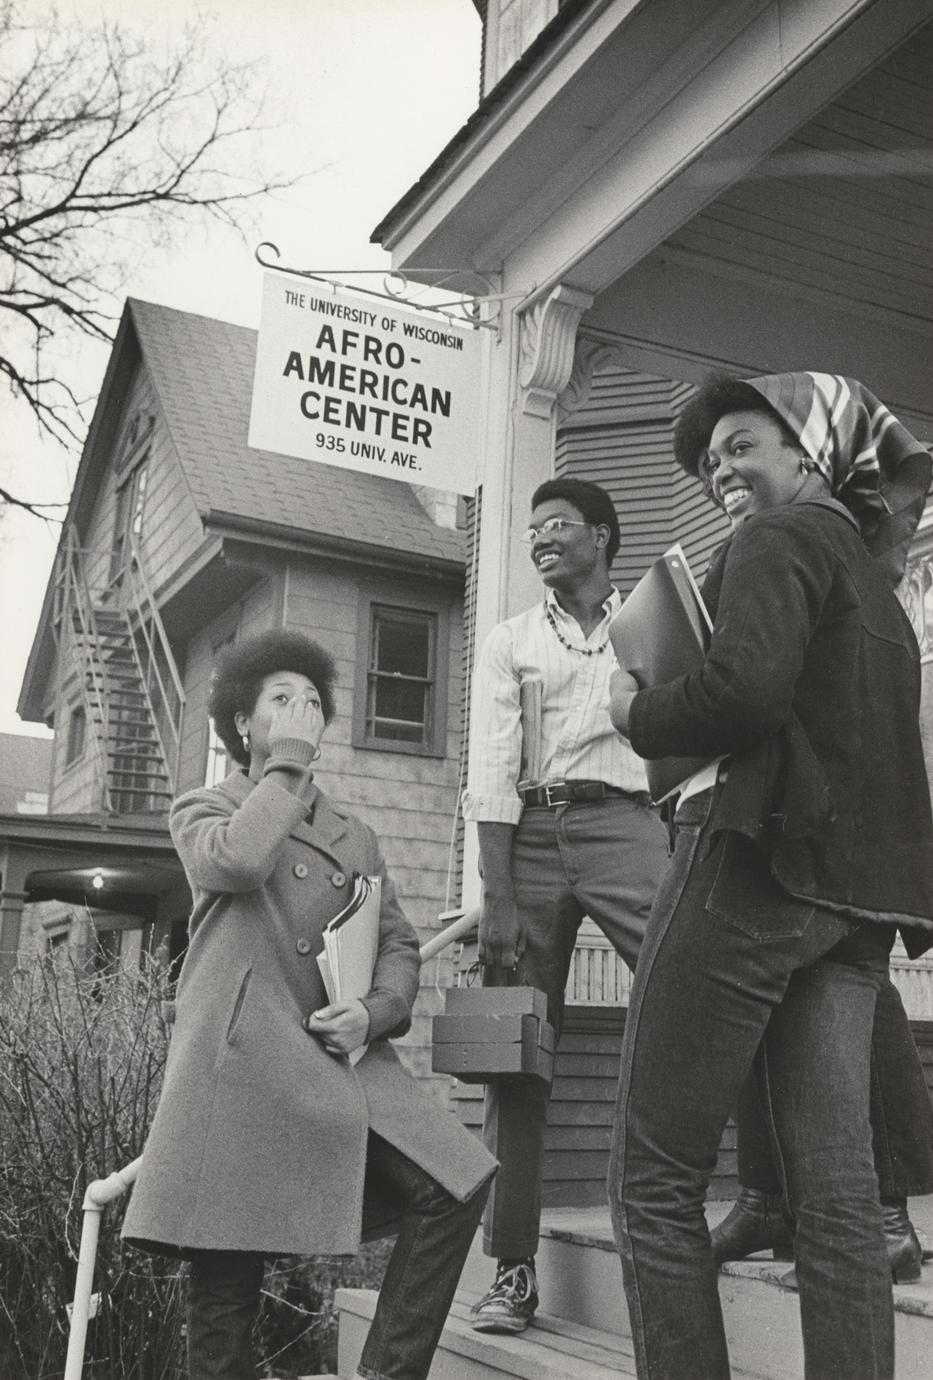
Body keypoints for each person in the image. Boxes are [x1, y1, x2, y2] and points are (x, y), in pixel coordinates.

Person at [607, 371, 933, 1380]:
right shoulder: (883, 597)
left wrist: (633, 711)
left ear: (808, 453)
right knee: (839, 1203)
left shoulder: (776, 540)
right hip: (854, 914)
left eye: (742, 446)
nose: (721, 471)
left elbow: (743, 692)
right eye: (712, 463)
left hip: (751, 873)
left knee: (653, 1180)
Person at [123, 630, 496, 1380]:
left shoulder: (355, 835)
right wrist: (286, 770)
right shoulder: (204, 806)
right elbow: (235, 861)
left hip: (337, 1062)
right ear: (241, 725)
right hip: (240, 1072)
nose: (303, 712)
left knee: (458, 1179)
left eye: (315, 704)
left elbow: (396, 944)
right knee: (224, 1297)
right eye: (282, 699)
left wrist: (377, 1011)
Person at [461, 477, 670, 1333]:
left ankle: (754, 1205)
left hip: (630, 825)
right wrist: (497, 890)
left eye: (558, 526)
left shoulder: (647, 627)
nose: (541, 538)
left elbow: (682, 729)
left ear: (602, 536)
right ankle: (512, 1270)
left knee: (697, 995)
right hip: (533, 835)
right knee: (519, 1050)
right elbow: (491, 763)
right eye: (532, 528)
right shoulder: (511, 639)